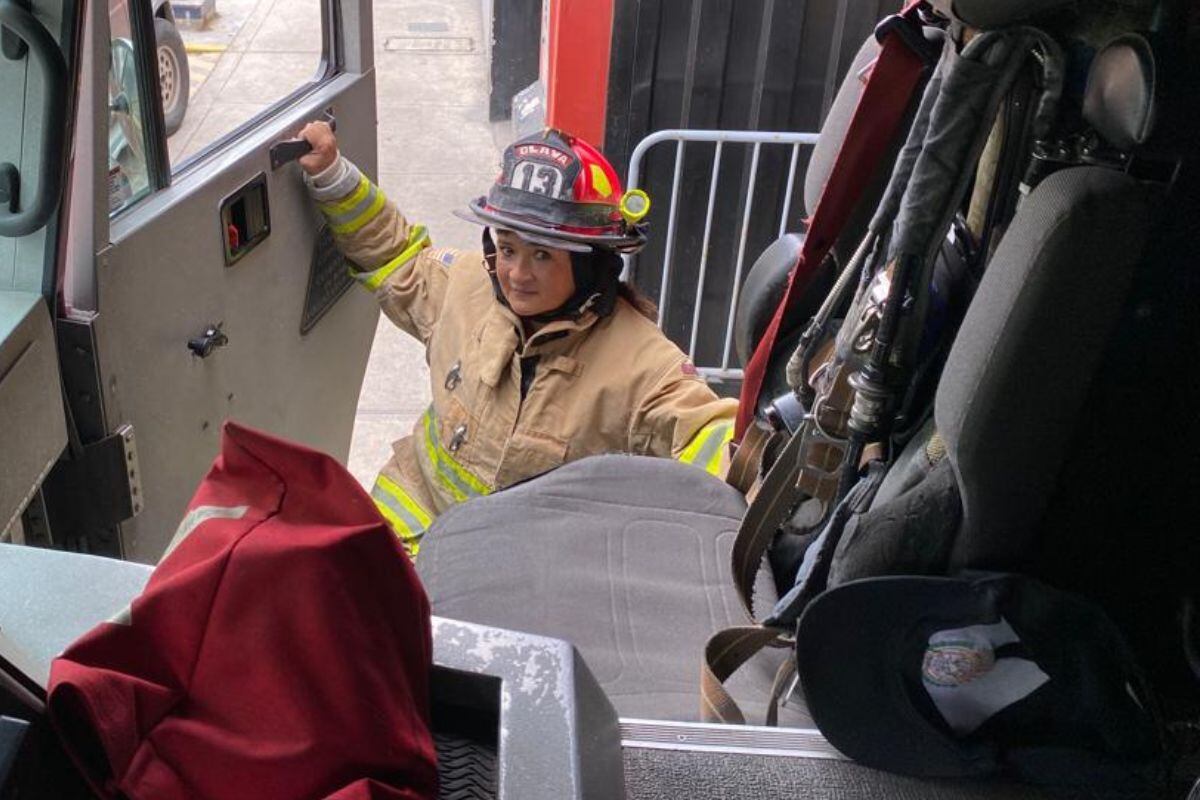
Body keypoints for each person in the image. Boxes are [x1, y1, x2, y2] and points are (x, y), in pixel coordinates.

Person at [298, 123, 737, 557]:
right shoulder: (464, 286)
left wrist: (763, 485)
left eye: (542, 255)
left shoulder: (641, 362)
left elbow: (707, 431)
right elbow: (396, 255)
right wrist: (333, 176)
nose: (517, 274)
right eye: (507, 249)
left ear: (592, 265)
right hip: (406, 537)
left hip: (521, 576)